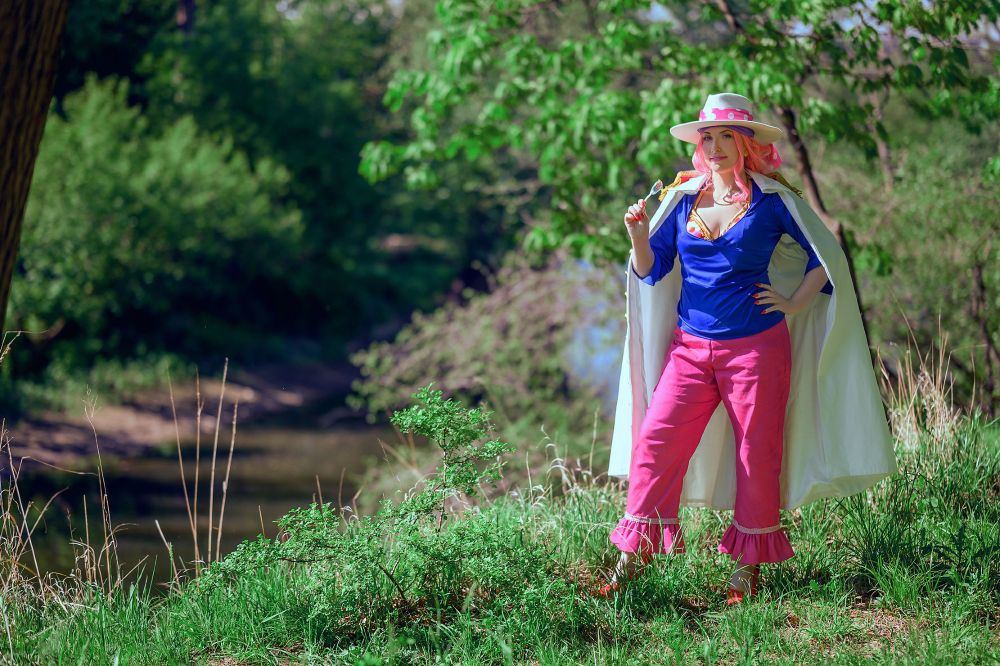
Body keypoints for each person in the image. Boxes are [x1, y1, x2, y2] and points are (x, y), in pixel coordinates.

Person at [596, 92, 897, 604]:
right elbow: (651, 270)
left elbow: (827, 255)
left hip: (756, 351)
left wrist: (793, 301)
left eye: (724, 138)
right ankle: (633, 559)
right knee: (655, 444)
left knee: (756, 457)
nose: (713, 147)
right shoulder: (683, 198)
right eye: (706, 138)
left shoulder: (773, 201)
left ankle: (745, 574)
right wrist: (638, 235)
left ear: (746, 144)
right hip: (690, 351)